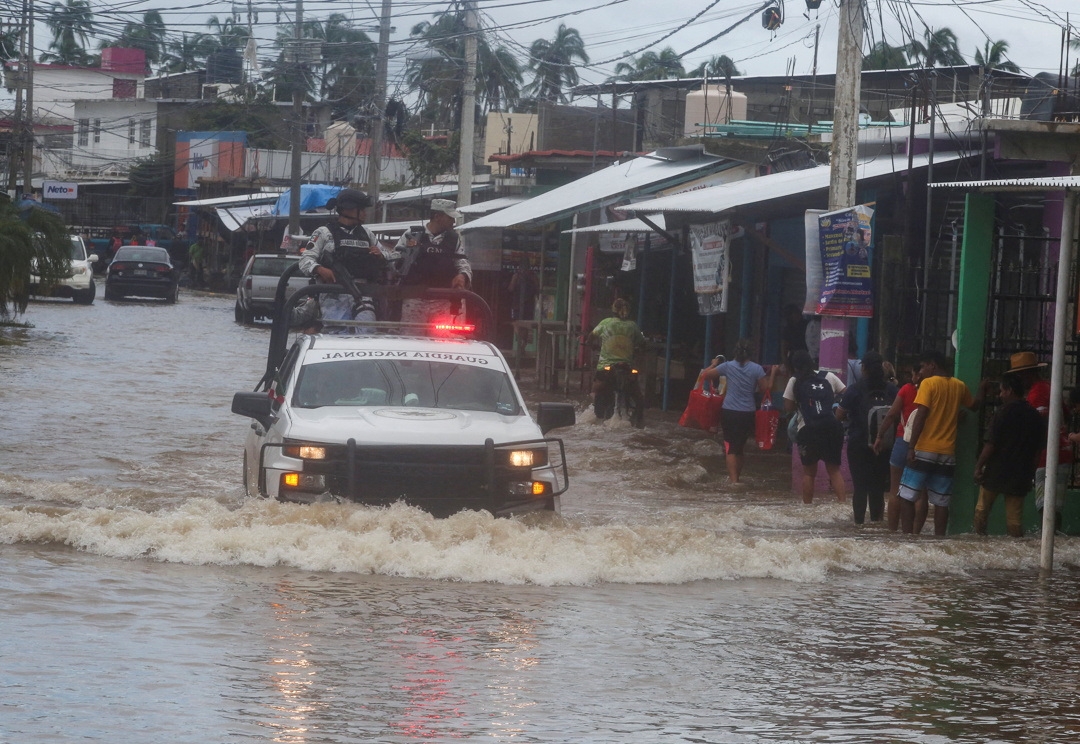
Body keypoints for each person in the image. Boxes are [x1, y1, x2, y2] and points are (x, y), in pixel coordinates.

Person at [899, 350, 988, 536]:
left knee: (907, 496)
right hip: (947, 452)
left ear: (933, 364)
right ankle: (939, 540)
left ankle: (906, 540)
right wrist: (981, 389)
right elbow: (974, 406)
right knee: (941, 502)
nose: (921, 371)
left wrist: (910, 447)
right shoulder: (959, 386)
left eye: (923, 366)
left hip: (924, 449)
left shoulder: (928, 384)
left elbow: (921, 416)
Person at [297, 188, 387, 330]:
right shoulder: (324, 233)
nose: (365, 213)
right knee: (337, 336)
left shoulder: (366, 234)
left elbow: (388, 255)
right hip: (334, 294)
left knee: (367, 332)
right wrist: (319, 269)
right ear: (349, 209)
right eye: (361, 209)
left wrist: (381, 254)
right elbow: (305, 260)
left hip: (361, 293)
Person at [973, 375, 1046, 537]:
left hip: (996, 471)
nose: (1000, 395)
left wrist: (978, 466)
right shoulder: (1035, 416)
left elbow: (991, 444)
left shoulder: (1003, 413)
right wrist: (1030, 472)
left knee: (982, 511)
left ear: (1009, 391)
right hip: (1020, 474)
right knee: (1014, 519)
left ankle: (979, 544)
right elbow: (1038, 450)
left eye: (1001, 391)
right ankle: (1016, 552)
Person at [1007, 351, 1072, 531]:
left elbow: (1037, 428)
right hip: (1062, 452)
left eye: (1017, 376)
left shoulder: (1036, 394)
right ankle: (1053, 544)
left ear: (1024, 374)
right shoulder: (1050, 387)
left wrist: (1030, 457)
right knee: (1053, 506)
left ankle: (1050, 545)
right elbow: (1066, 415)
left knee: (1046, 506)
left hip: (1048, 455)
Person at [699, 339, 775, 487]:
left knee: (731, 447)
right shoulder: (757, 369)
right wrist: (774, 373)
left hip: (729, 411)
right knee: (739, 447)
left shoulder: (727, 366)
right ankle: (737, 479)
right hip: (747, 412)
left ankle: (734, 481)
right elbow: (765, 389)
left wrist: (714, 363)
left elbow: (705, 375)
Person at [388, 198, 471, 325]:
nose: (453, 221)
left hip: (443, 299)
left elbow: (462, 261)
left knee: (444, 342)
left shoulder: (454, 238)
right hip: (413, 299)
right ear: (437, 216)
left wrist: (463, 276)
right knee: (410, 340)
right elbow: (393, 261)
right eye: (450, 217)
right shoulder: (412, 234)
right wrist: (406, 255)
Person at [837, 351, 897, 524]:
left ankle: (859, 526)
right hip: (884, 445)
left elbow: (839, 415)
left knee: (860, 488)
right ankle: (876, 525)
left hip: (858, 444)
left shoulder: (855, 389)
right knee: (877, 488)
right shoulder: (892, 390)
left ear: (863, 368)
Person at [783, 349, 847, 504]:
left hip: (808, 430)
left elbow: (788, 407)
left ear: (795, 366)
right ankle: (843, 505)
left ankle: (807, 508)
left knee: (809, 474)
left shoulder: (794, 380)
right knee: (834, 471)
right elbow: (847, 394)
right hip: (832, 427)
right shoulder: (829, 376)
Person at [873, 362, 923, 532]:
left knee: (895, 490)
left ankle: (893, 532)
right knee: (920, 493)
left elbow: (892, 415)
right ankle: (915, 534)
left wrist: (879, 436)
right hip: (924, 445)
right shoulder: (933, 391)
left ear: (916, 374)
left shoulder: (907, 390)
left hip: (903, 441)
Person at [589, 298, 645, 427]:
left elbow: (591, 336)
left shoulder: (605, 323)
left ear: (613, 310)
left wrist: (589, 344)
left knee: (595, 390)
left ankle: (597, 415)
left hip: (606, 367)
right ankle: (640, 422)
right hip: (627, 368)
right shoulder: (633, 326)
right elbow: (643, 343)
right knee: (639, 397)